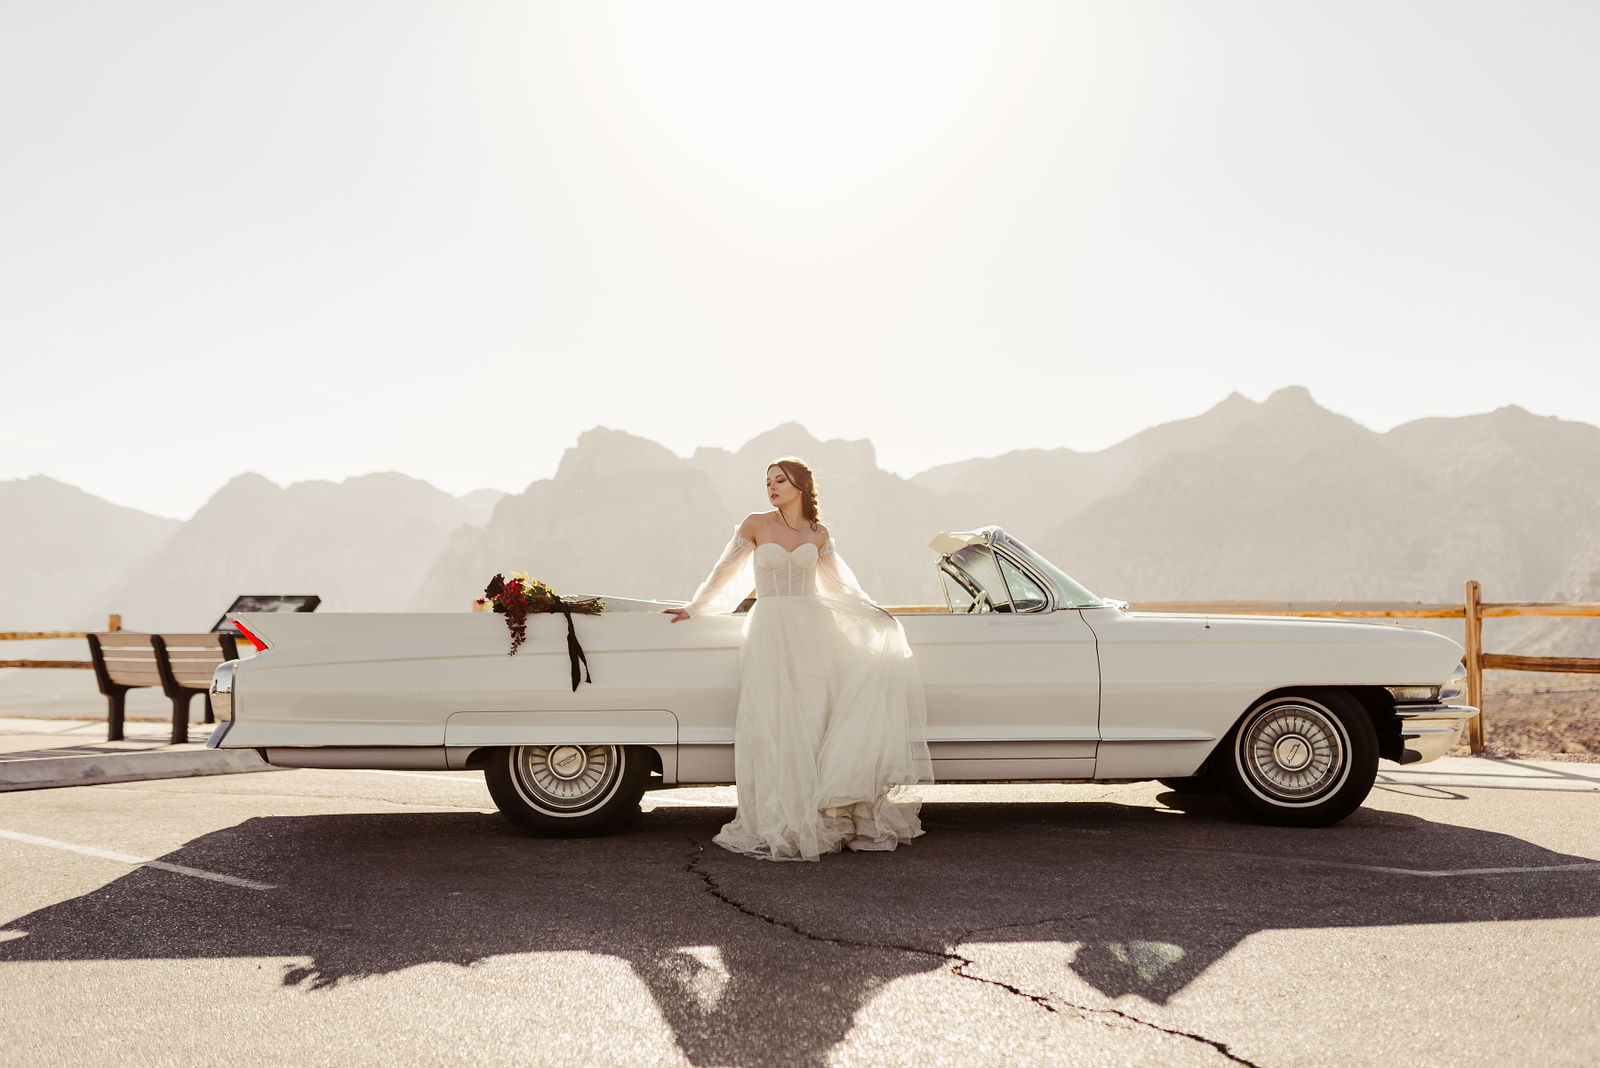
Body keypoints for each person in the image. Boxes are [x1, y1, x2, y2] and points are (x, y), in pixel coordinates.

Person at [663, 457, 933, 861]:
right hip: (770, 628)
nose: (771, 487)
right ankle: (779, 816)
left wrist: (873, 610)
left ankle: (823, 810)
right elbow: (724, 573)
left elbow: (840, 586)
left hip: (812, 630)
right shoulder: (755, 524)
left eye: (780, 481)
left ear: (801, 487)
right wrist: (695, 608)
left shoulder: (819, 534)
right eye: (767, 480)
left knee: (812, 718)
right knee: (771, 718)